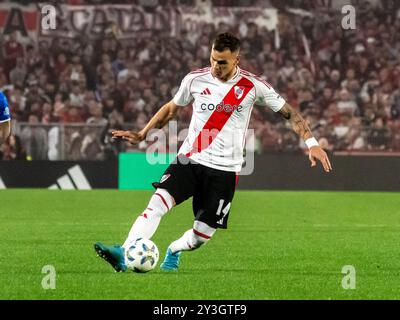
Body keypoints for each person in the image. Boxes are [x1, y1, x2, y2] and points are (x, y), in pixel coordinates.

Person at [94, 33, 332, 272]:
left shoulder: (253, 86)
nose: (215, 67)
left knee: (201, 236)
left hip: (224, 171)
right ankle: (123, 253)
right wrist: (142, 133)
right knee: (156, 204)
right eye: (213, 59)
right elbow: (171, 109)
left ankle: (174, 250)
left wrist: (311, 142)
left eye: (222, 62)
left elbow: (289, 113)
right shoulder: (195, 79)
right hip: (190, 159)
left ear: (236, 59)